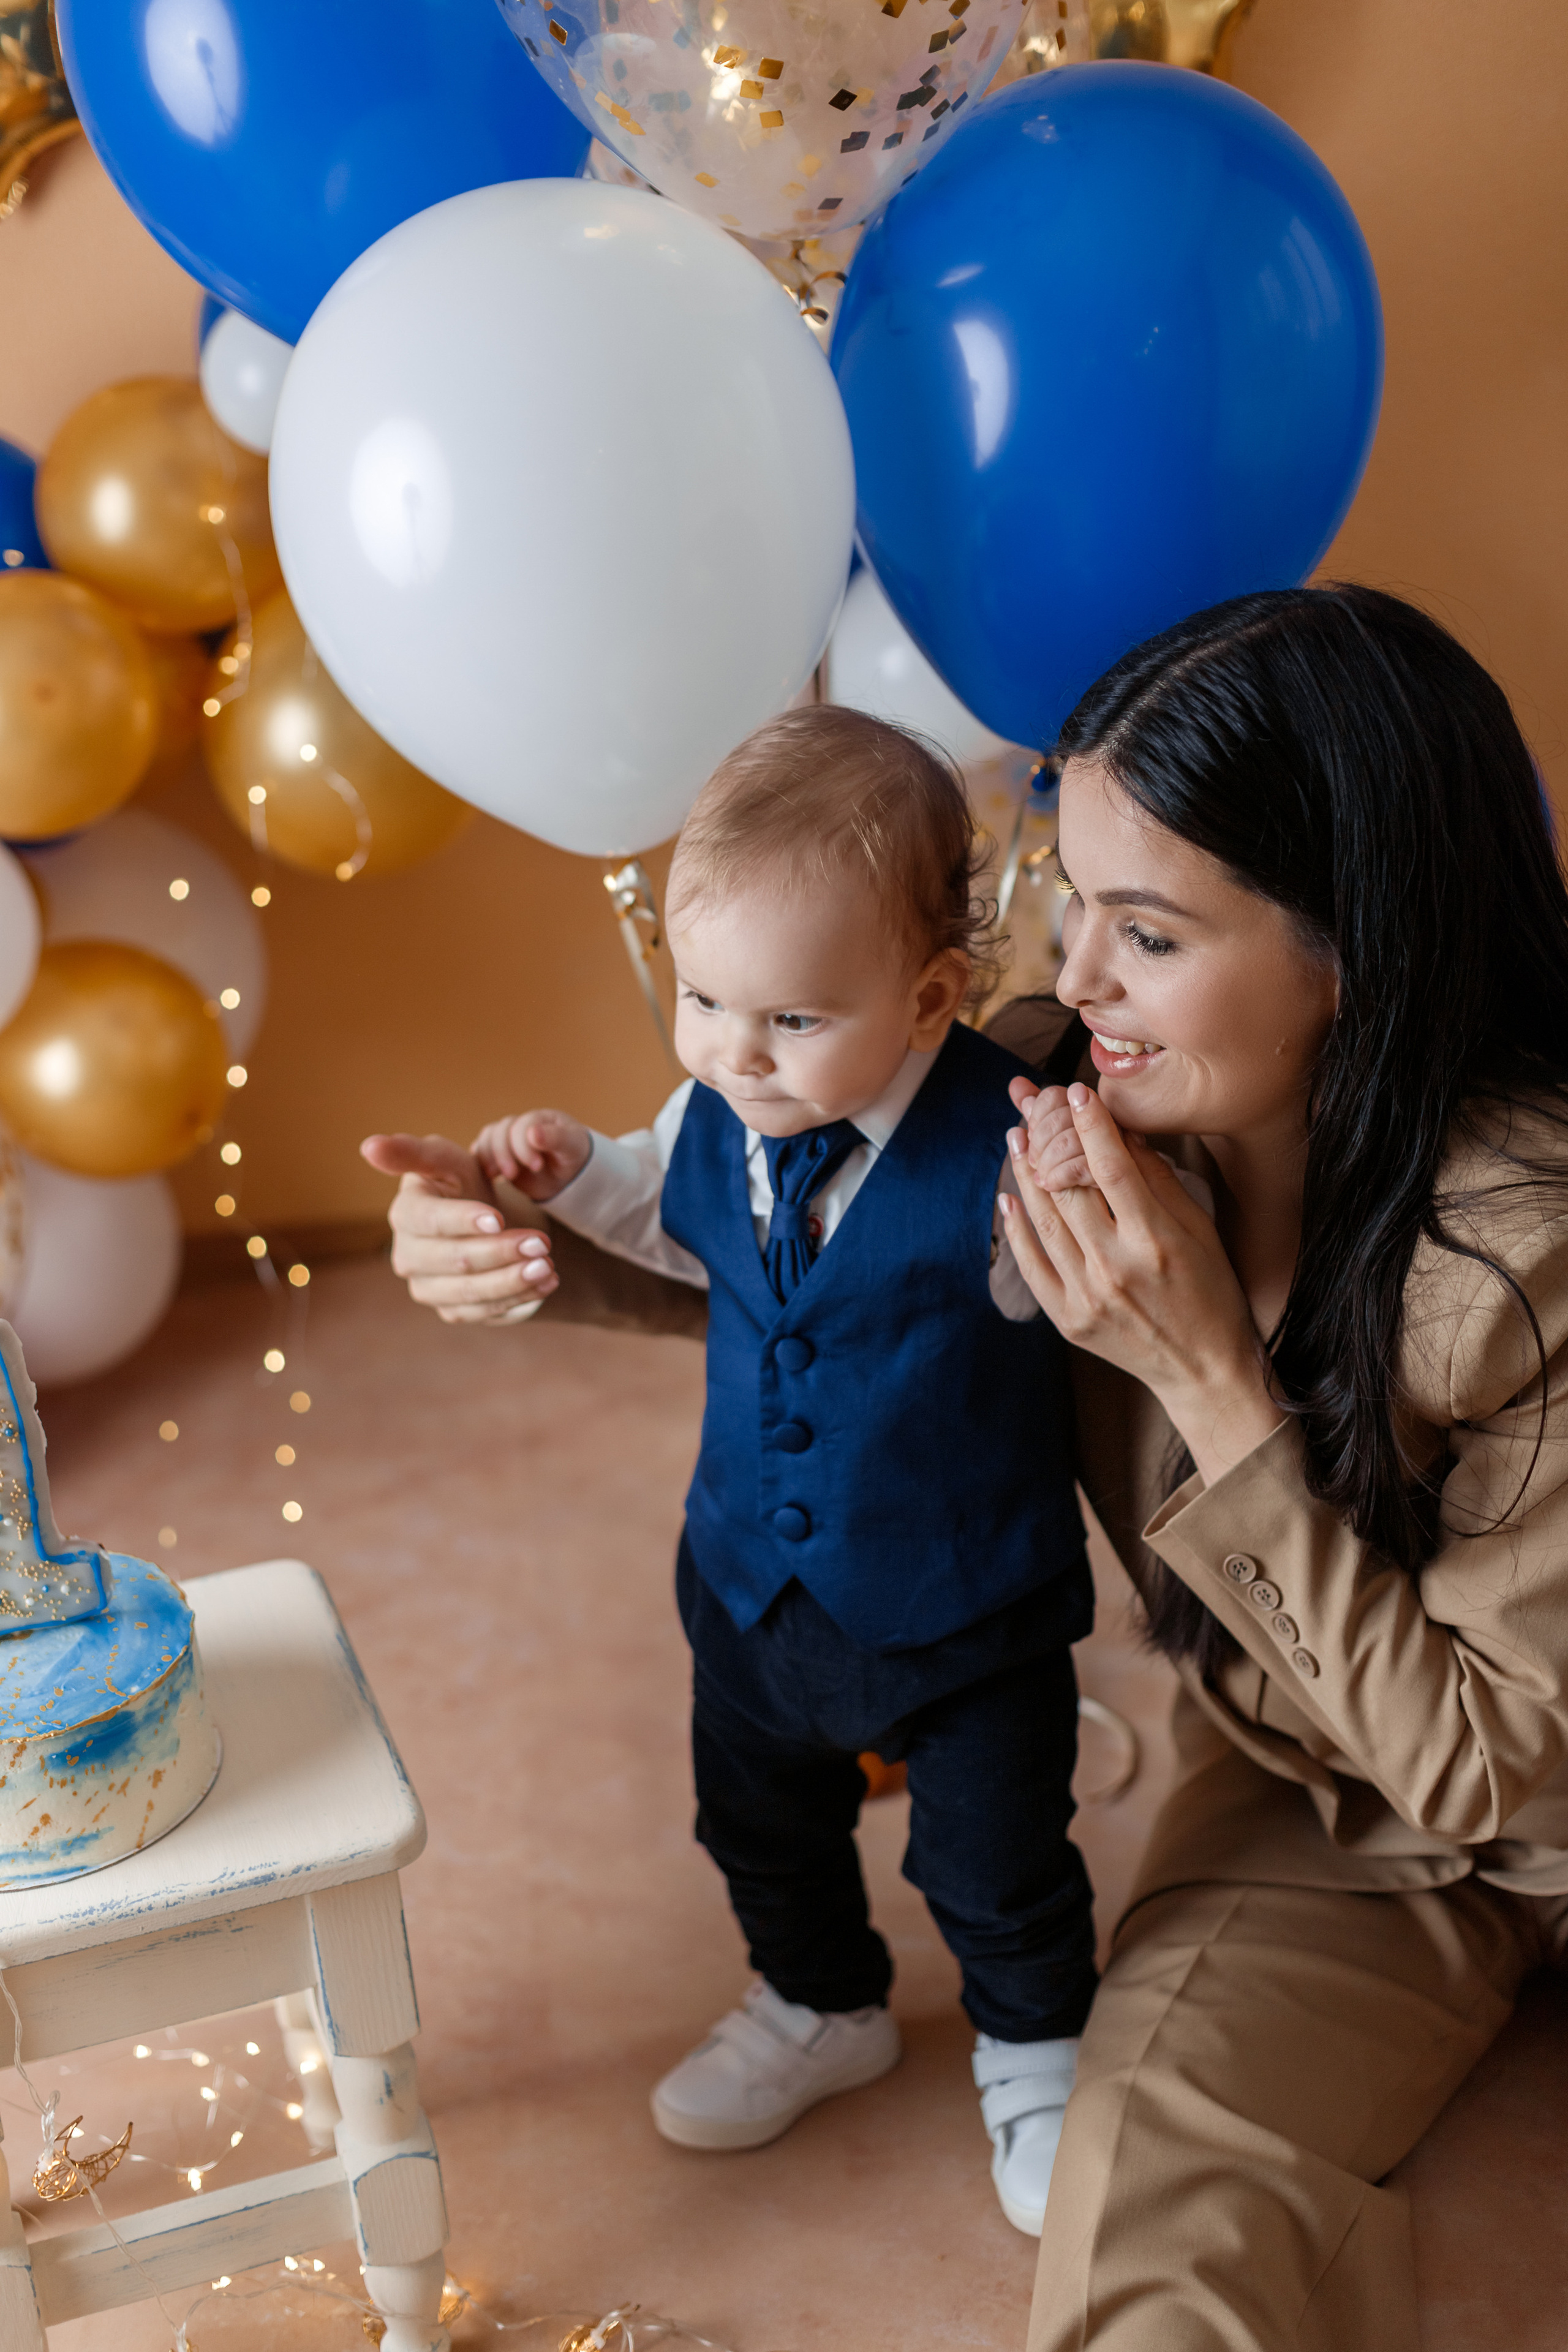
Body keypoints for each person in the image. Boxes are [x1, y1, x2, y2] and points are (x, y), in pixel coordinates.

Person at [364, 705, 1099, 2235]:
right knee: (755, 1818)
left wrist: (1087, 1209)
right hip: (752, 1588)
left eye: (787, 1021)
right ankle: (816, 2000)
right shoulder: (721, 1111)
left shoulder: (1002, 1153)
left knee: (994, 1852)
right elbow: (665, 1222)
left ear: (928, 998)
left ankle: (1036, 2055)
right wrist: (584, 1178)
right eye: (703, 1000)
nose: (732, 1053)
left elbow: (1091, 1294)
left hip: (962, 1605)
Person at [995, 582, 1568, 2349]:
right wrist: (553, 1246)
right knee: (1157, 2257)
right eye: (1072, 905)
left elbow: (1487, 1761)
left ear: (1357, 954)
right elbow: (827, 1268)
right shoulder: (1069, 1094)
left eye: (1148, 934)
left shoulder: (1528, 1251)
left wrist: (1209, 1380)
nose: (1077, 980)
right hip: (1327, 1793)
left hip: (1503, 1773)